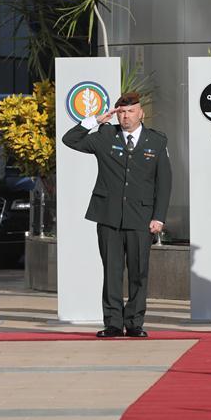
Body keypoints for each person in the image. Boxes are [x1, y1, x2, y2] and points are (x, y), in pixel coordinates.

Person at [62, 92, 172, 338]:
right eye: (121, 112)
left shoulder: (156, 141)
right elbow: (70, 139)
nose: (125, 117)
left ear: (141, 112)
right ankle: (112, 322)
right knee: (111, 271)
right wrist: (96, 121)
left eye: (130, 111)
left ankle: (134, 322)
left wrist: (159, 217)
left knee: (138, 272)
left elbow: (164, 183)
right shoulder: (104, 136)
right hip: (109, 216)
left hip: (141, 217)